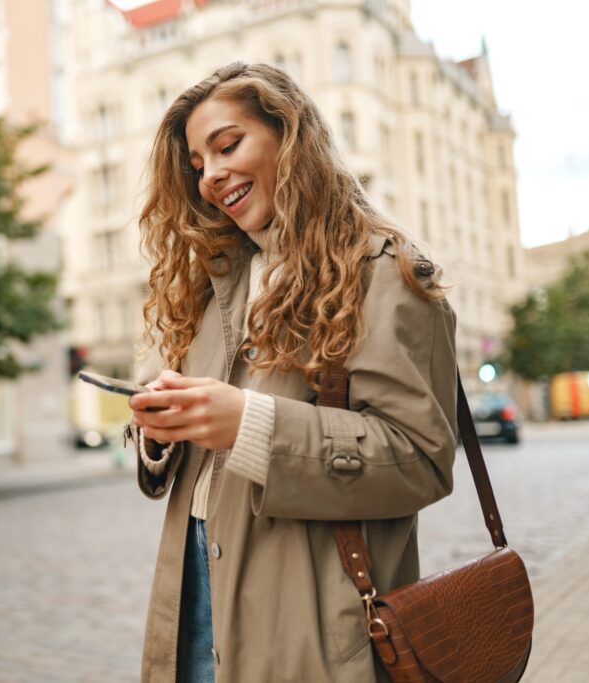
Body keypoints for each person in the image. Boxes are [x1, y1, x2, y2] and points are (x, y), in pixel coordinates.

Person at [124, 62, 458, 683]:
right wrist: (159, 430)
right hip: (193, 586)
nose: (212, 176)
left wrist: (247, 423)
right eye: (197, 164)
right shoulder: (214, 279)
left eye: (228, 145)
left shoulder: (386, 271)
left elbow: (420, 459)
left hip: (310, 615)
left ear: (291, 137)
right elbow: (199, 449)